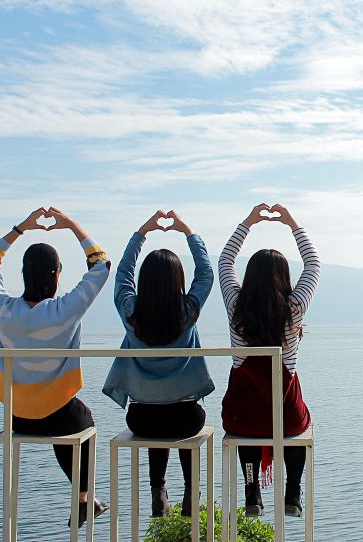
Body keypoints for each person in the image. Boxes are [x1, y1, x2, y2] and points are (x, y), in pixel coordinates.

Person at [0, 206, 111, 528]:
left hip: (16, 416)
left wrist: (21, 228)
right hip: (56, 418)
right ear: (56, 274)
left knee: (65, 416)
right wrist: (72, 227)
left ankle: (86, 501)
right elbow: (102, 266)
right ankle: (83, 499)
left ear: (24, 273)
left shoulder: (4, 310)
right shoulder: (65, 310)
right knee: (82, 421)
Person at [103, 210, 215, 517]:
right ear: (178, 279)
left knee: (155, 418)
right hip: (186, 418)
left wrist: (142, 232)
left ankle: (158, 491)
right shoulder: (188, 310)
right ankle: (192, 494)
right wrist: (187, 231)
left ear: (145, 281)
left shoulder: (130, 312)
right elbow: (206, 273)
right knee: (180, 415)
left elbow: (123, 273)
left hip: (141, 419)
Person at [218, 202, 320, 518]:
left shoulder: (236, 307)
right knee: (300, 424)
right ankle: (292, 491)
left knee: (247, 426)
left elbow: (224, 261)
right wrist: (292, 223)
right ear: (283, 277)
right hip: (285, 416)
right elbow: (313, 264)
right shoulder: (295, 310)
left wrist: (248, 221)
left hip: (242, 415)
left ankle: (252, 492)